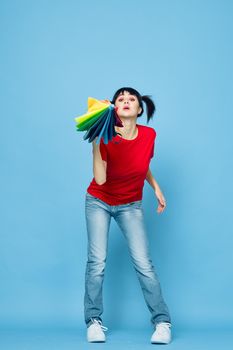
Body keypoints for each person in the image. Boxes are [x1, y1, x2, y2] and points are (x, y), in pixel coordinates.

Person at [84, 87, 172, 344]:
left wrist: (155, 187)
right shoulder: (105, 137)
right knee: (97, 262)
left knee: (144, 264)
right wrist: (95, 140)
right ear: (112, 108)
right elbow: (100, 179)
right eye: (120, 99)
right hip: (98, 201)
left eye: (131, 98)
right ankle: (93, 321)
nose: (125, 101)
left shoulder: (149, 134)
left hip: (130, 205)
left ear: (139, 108)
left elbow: (141, 164)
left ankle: (162, 322)